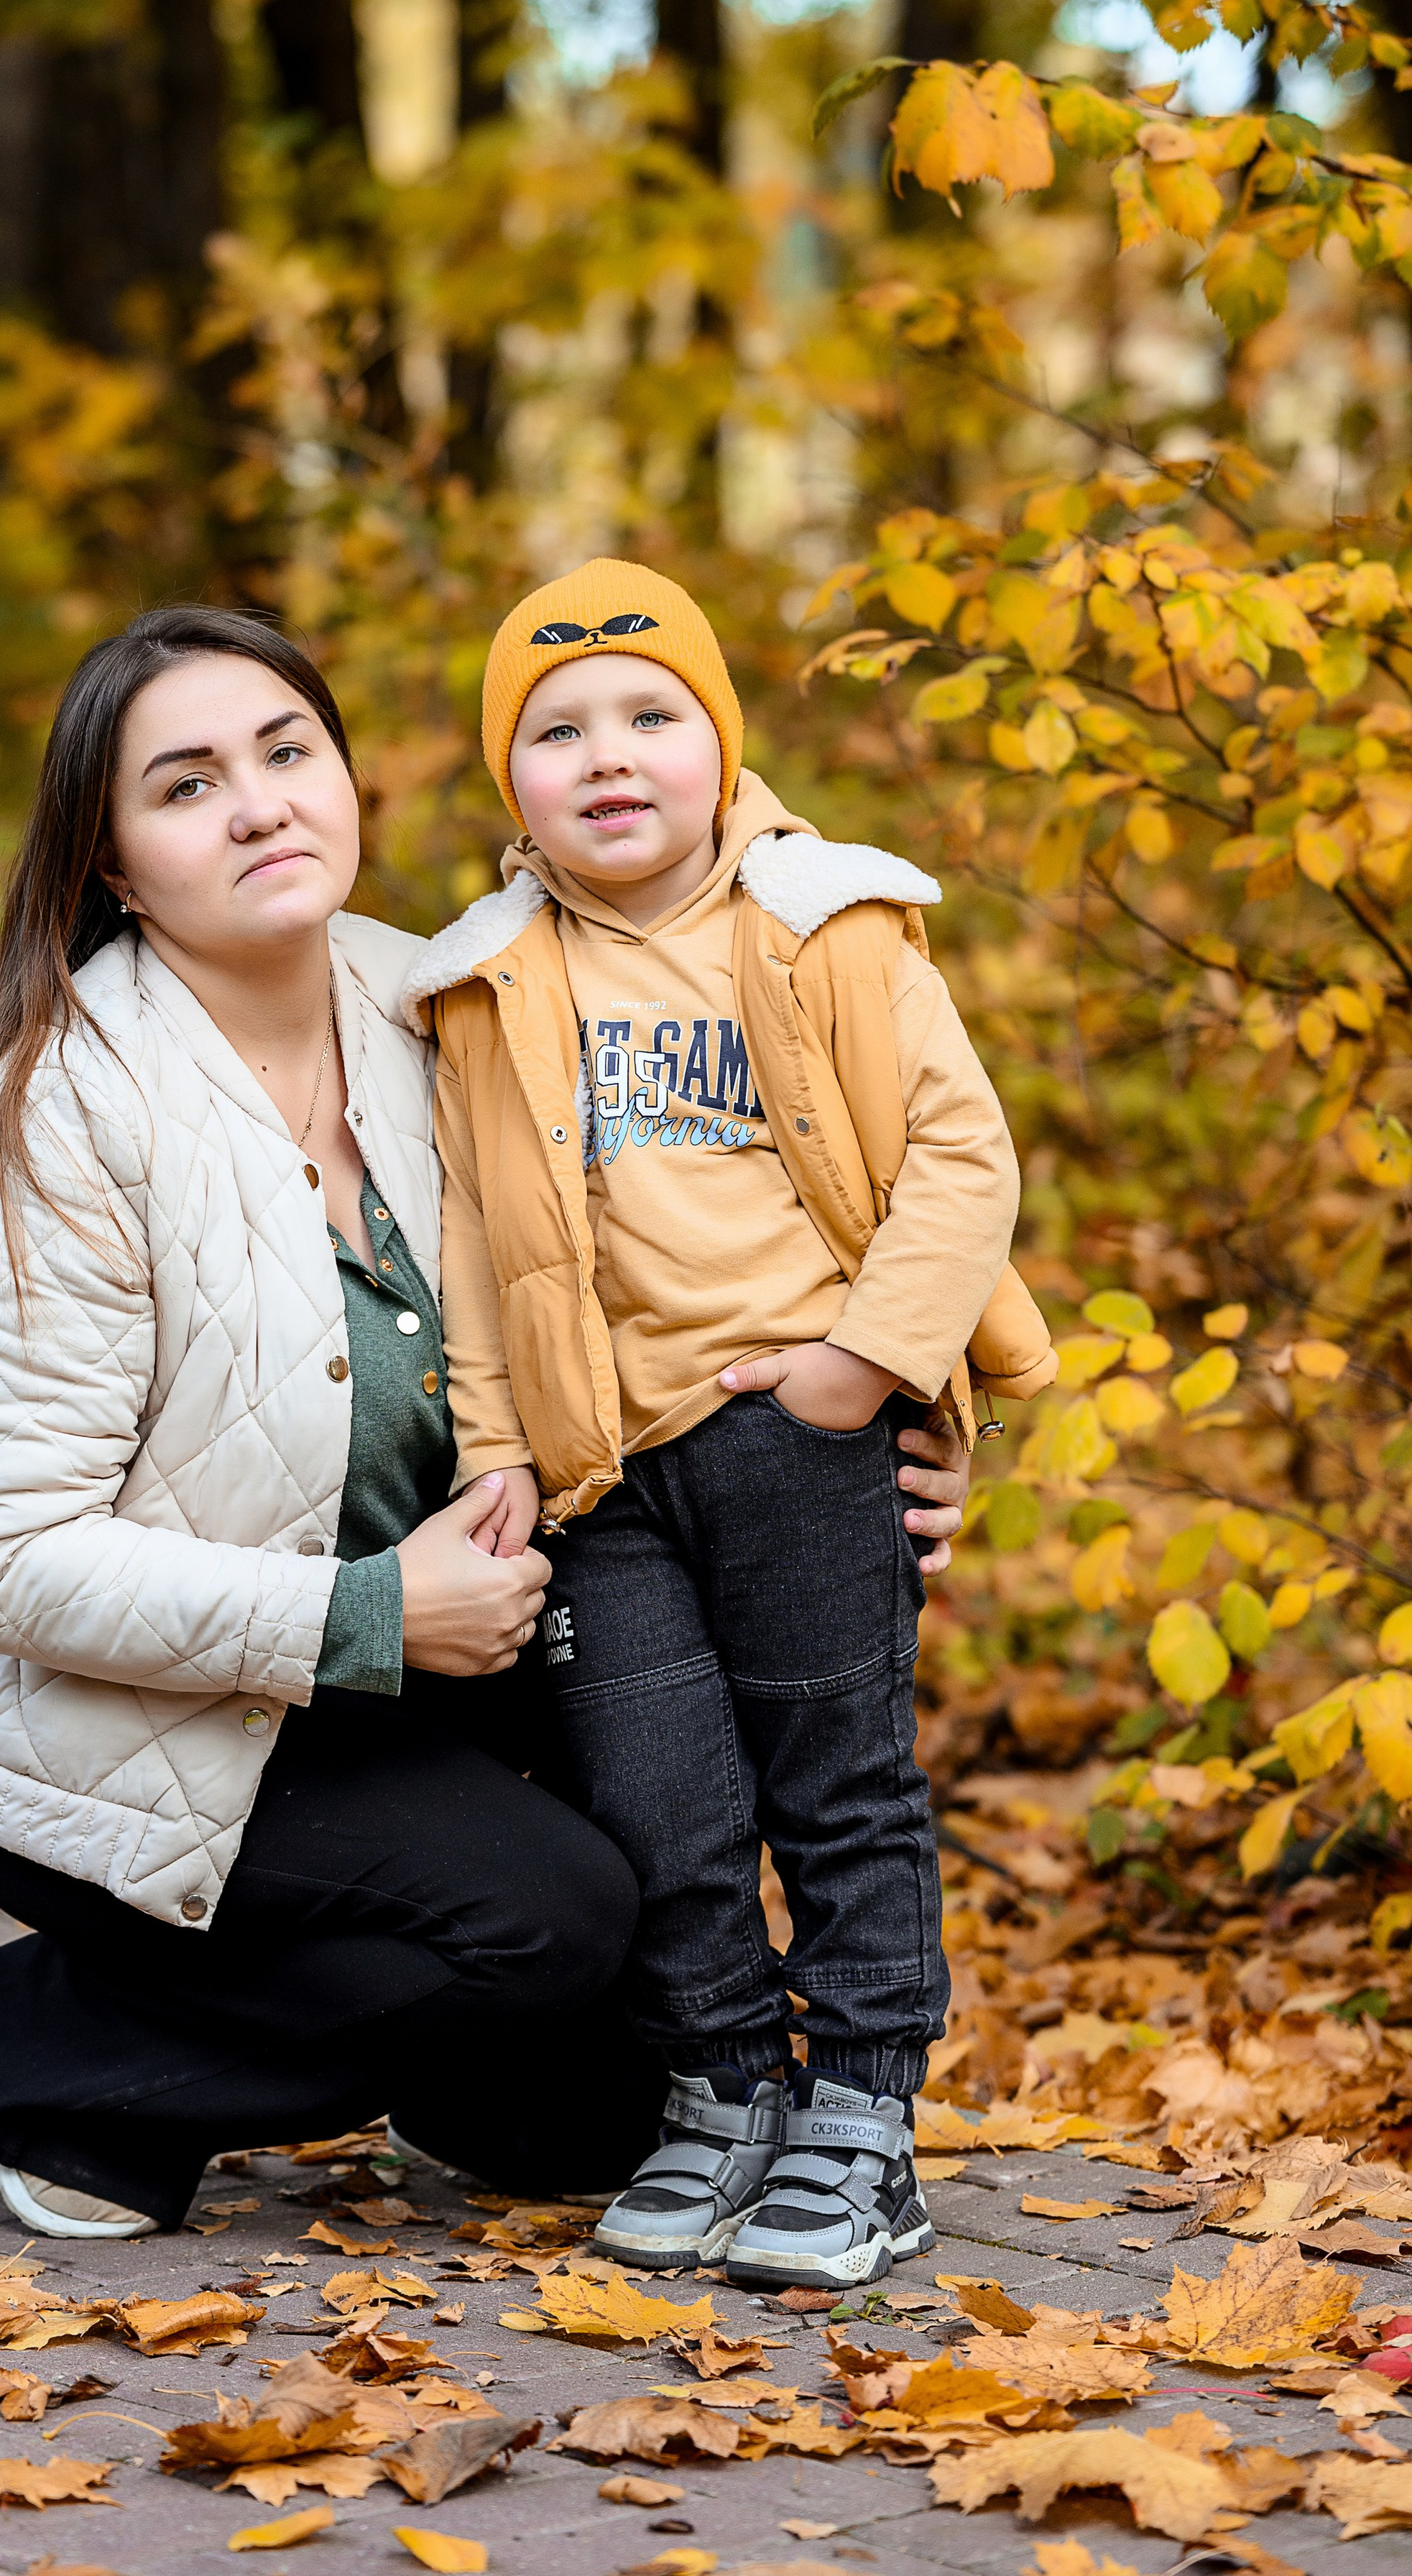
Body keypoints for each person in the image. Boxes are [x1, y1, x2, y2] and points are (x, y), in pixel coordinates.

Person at [0, 599, 976, 2241]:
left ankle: (449, 2041)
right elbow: (7, 1565)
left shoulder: (455, 995)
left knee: (589, 2110)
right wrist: (373, 1611)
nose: (257, 804)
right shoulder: (63, 1118)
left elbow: (707, 1251)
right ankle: (68, 2045)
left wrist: (882, 1411)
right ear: (109, 865)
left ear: (347, 773)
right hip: (130, 1723)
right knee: (551, 1925)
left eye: (286, 751)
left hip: (414, 1688)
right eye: (185, 786)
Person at [400, 557, 1056, 2291]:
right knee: (656, 1805)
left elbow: (958, 1156)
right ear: (506, 778)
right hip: (598, 1468)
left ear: (718, 742)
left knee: (833, 1783)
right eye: (554, 731)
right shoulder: (486, 982)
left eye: (649, 715)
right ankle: (721, 2089)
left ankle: (860, 2117)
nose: (607, 757)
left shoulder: (823, 924)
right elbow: (476, 1235)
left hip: (790, 1426)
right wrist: (493, 1451)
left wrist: (861, 1363)